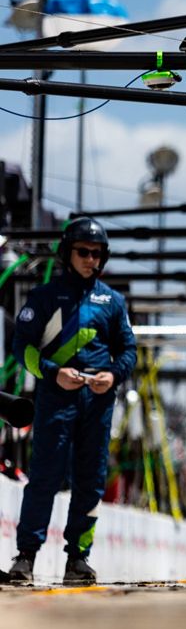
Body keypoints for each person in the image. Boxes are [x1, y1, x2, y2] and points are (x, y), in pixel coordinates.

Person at [4, 217, 136, 585]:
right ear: (67, 253)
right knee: (44, 477)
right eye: (83, 252)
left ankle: (78, 559)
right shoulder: (45, 297)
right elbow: (21, 347)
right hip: (55, 399)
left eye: (96, 254)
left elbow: (129, 351)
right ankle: (25, 557)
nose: (90, 259)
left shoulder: (113, 302)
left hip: (97, 403)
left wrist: (113, 375)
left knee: (91, 483)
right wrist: (51, 372)